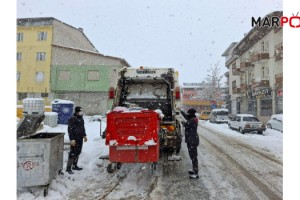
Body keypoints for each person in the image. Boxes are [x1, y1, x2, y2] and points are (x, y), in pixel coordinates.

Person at [66, 106, 88, 174]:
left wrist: (84, 135)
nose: (81, 113)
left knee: (78, 152)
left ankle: (74, 165)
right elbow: (70, 130)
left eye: (82, 111)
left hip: (80, 138)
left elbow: (82, 128)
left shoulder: (81, 119)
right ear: (77, 112)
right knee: (73, 153)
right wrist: (72, 139)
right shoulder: (72, 119)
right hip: (74, 139)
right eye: (80, 111)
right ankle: (68, 168)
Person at [180, 108, 200, 179]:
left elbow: (186, 124)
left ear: (191, 113)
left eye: (188, 113)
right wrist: (180, 111)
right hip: (191, 140)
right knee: (192, 156)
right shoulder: (193, 118)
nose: (187, 114)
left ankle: (195, 173)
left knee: (194, 156)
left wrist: (182, 122)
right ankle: (194, 169)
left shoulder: (193, 120)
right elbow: (186, 117)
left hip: (192, 140)